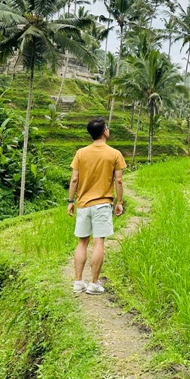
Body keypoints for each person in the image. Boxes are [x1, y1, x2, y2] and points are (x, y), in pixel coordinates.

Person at [68, 117, 127, 295]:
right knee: (98, 241)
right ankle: (94, 284)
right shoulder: (114, 154)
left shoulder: (81, 153)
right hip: (102, 204)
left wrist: (71, 202)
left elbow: (74, 179)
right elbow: (118, 180)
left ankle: (78, 282)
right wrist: (119, 202)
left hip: (84, 203)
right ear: (104, 132)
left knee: (82, 242)